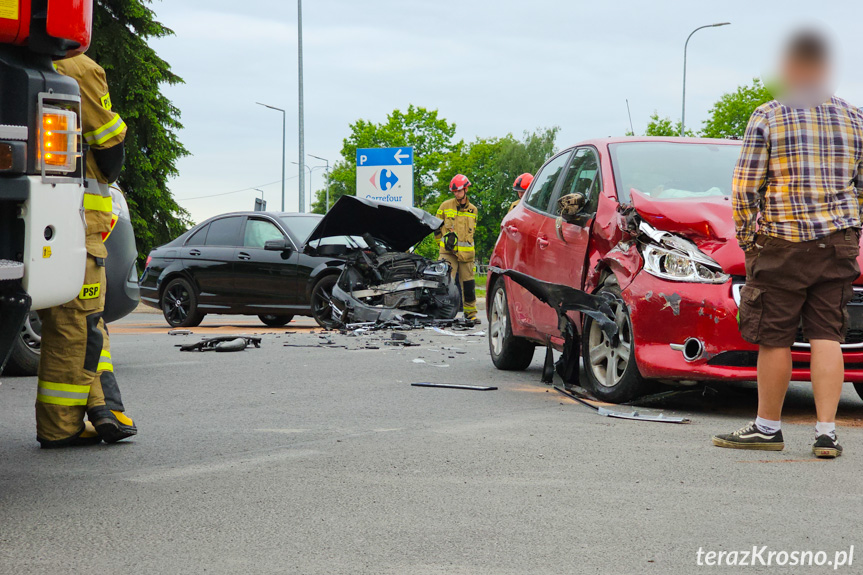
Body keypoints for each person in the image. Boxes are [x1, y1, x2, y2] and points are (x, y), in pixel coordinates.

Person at [712, 30, 863, 458]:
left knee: (775, 338)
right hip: (838, 243)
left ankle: (767, 428)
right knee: (827, 335)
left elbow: (745, 189)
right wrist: (848, 224)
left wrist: (747, 239)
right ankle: (827, 433)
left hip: (782, 241)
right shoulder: (856, 119)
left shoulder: (769, 116)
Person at [35, 53, 137, 448]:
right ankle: (61, 426)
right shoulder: (79, 67)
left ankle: (105, 409)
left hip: (50, 219)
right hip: (73, 224)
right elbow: (111, 150)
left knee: (84, 326)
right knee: (77, 324)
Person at [435, 175, 479, 321]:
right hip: (448, 253)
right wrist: (440, 244)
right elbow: (436, 227)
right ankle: (441, 312)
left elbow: (471, 234)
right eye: (454, 192)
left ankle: (470, 314)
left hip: (467, 256)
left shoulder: (473, 210)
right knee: (444, 282)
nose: (456, 194)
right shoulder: (445, 206)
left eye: (458, 191)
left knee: (468, 284)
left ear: (465, 190)